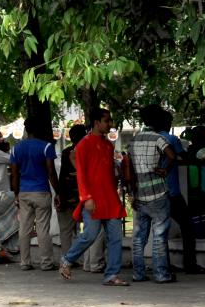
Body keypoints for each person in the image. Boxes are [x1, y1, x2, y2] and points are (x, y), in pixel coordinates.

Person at [60, 108, 128, 286]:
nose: (110, 124)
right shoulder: (84, 143)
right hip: (93, 198)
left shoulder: (107, 144)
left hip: (110, 198)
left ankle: (112, 275)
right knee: (90, 234)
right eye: (107, 121)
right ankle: (66, 261)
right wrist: (86, 197)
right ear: (97, 123)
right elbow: (81, 172)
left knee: (115, 238)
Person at [125, 105, 177, 284]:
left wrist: (131, 194)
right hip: (158, 193)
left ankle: (138, 274)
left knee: (139, 238)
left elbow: (129, 171)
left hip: (140, 195)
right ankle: (161, 274)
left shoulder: (133, 141)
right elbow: (172, 155)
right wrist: (164, 170)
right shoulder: (159, 138)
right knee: (159, 236)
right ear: (159, 121)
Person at [157, 113, 205, 274]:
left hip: (155, 191)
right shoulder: (171, 139)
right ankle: (190, 264)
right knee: (188, 226)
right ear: (166, 122)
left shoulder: (148, 139)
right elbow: (185, 156)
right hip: (171, 190)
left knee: (160, 229)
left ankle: (163, 264)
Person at [10, 117, 59, 270]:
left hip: (24, 192)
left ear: (26, 129)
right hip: (41, 191)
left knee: (24, 228)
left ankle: (25, 262)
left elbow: (14, 174)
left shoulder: (16, 149)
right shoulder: (46, 147)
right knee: (42, 228)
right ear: (39, 130)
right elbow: (51, 172)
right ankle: (46, 262)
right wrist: (58, 192)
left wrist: (16, 194)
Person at [57, 124, 86, 259]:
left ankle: (67, 258)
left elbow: (62, 176)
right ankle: (89, 261)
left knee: (65, 230)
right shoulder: (87, 150)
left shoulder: (66, 152)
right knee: (89, 229)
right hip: (84, 195)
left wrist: (59, 194)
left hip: (68, 195)